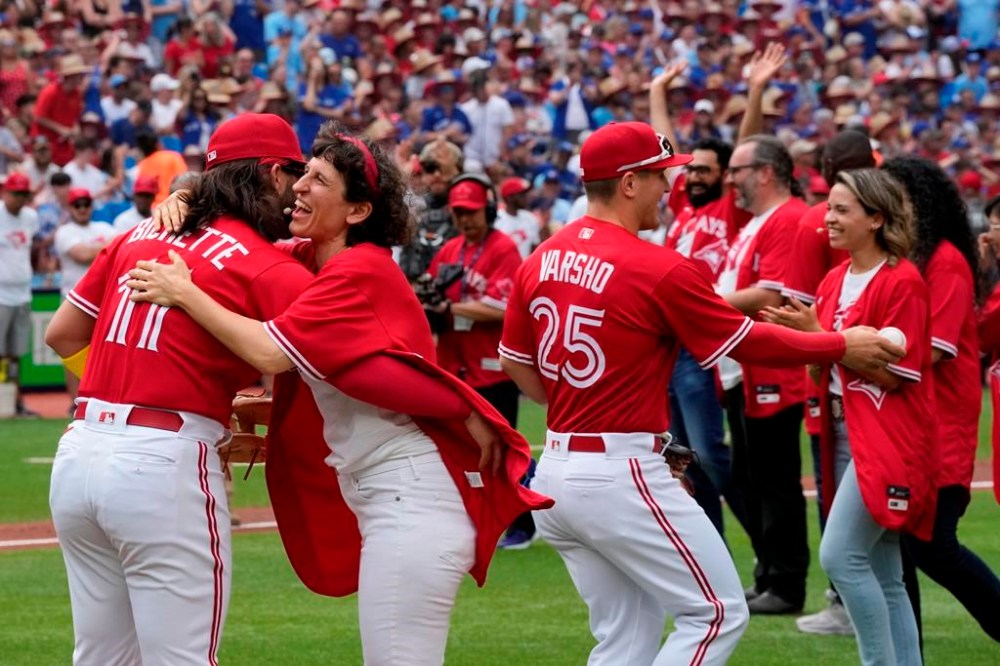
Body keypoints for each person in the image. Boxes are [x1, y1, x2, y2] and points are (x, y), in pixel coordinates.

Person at [126, 124, 552, 665]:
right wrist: (190, 191)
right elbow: (352, 375)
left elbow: (270, 354)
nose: (300, 186)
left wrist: (182, 292)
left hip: (414, 495)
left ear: (357, 212)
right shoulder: (314, 258)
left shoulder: (357, 270)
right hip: (392, 489)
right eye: (303, 173)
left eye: (319, 180)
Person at [498, 121, 906, 665]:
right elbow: (749, 341)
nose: (669, 185)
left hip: (555, 471)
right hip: (620, 474)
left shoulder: (541, 256)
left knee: (624, 637)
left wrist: (578, 407)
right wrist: (838, 345)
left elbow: (514, 362)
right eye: (660, 174)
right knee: (716, 613)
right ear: (627, 182)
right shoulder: (656, 266)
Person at [43, 113, 315, 665]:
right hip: (163, 463)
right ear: (269, 172)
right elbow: (330, 358)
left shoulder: (139, 232)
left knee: (101, 658)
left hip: (78, 453)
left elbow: (61, 333)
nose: (297, 188)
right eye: (293, 172)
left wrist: (136, 384)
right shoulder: (267, 266)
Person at [762, 168, 935, 666]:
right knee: (886, 575)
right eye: (829, 209)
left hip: (887, 435)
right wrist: (809, 340)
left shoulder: (903, 280)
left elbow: (896, 375)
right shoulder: (835, 278)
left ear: (876, 219)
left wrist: (819, 335)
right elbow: (824, 360)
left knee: (840, 556)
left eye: (841, 210)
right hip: (843, 430)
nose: (828, 220)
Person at [882, 156, 1000, 643]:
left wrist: (857, 352)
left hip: (940, 421)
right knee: (904, 549)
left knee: (932, 545)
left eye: (895, 198)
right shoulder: (917, 258)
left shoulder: (946, 261)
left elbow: (936, 347)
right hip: (912, 419)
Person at [782, 129, 874, 636]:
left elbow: (797, 311)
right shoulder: (817, 226)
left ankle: (845, 600)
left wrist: (818, 350)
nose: (833, 218)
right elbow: (800, 309)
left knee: (844, 491)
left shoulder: (816, 222)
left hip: (856, 381)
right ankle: (845, 599)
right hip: (836, 374)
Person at [53, 187, 115, 410]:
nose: (82, 209)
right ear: (70, 208)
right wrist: (108, 246)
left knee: (105, 350)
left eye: (86, 204)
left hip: (104, 299)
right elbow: (82, 255)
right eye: (77, 204)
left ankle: (101, 398)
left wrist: (101, 248)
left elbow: (116, 249)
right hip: (73, 301)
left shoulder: (103, 226)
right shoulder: (65, 231)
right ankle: (74, 402)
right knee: (72, 349)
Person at [0, 172, 39, 417]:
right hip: (0, 294)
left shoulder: (30, 217)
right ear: (6, 192)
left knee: (16, 353)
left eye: (24, 194)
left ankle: (14, 402)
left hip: (23, 292)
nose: (20, 199)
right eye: (16, 194)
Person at [495, 176, 540, 260]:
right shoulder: (496, 220)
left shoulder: (531, 219)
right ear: (510, 197)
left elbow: (534, 249)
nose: (526, 197)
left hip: (523, 269)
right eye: (521, 195)